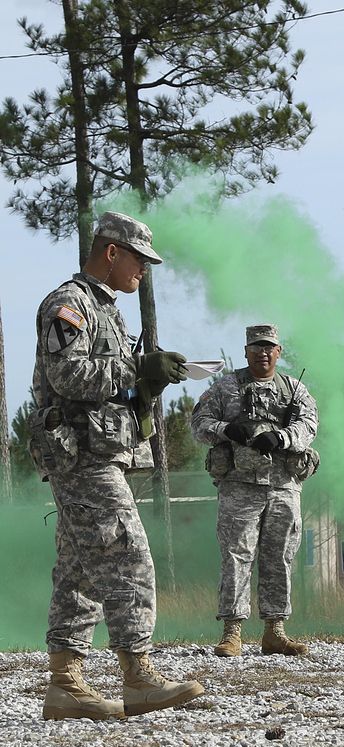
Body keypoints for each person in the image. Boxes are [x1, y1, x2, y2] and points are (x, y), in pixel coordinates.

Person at [29, 211, 206, 720]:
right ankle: (138, 677)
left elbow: (103, 380)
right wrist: (137, 367)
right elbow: (67, 375)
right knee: (127, 553)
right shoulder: (70, 303)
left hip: (99, 451)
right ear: (111, 251)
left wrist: (143, 385)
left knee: (79, 569)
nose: (143, 271)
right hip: (82, 456)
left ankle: (66, 686)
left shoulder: (108, 309)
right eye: (139, 260)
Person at [191, 324, 319, 658]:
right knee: (237, 556)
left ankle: (275, 631)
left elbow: (308, 426)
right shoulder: (225, 388)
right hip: (240, 486)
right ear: (245, 351)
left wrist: (282, 438)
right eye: (256, 347)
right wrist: (227, 429)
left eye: (269, 347)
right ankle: (232, 632)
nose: (262, 353)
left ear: (279, 352)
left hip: (283, 486)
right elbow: (199, 425)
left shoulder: (295, 390)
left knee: (280, 557)